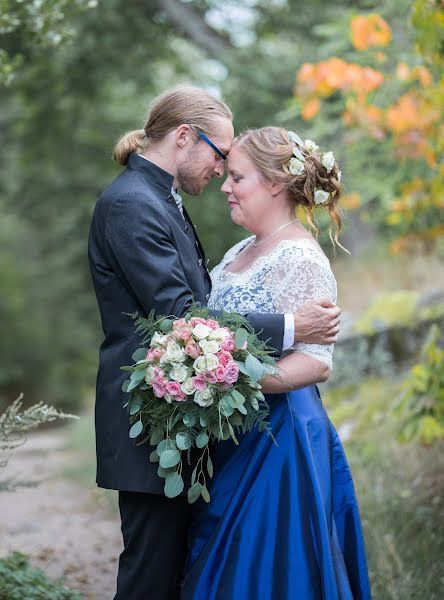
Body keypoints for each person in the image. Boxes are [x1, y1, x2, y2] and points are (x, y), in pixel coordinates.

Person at [88, 87, 341, 600]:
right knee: (151, 577)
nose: (222, 173)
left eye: (235, 167)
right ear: (185, 137)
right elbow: (183, 318)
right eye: (220, 154)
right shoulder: (134, 203)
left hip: (222, 431)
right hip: (153, 428)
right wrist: (292, 326)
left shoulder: (161, 199)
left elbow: (200, 314)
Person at [181, 127, 372, 600]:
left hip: (278, 440)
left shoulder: (301, 258)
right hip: (230, 435)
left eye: (237, 177)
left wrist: (226, 383)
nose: (225, 186)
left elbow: (315, 364)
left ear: (273, 183)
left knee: (264, 569)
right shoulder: (236, 254)